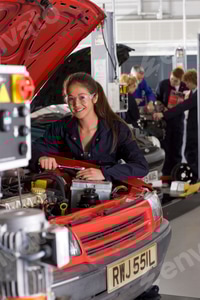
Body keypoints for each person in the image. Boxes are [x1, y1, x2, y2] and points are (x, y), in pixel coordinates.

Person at [30, 72, 149, 182]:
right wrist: (41, 157)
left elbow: (140, 166)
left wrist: (104, 173)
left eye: (82, 97)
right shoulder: (60, 128)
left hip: (106, 198)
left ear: (95, 98)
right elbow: (32, 149)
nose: (76, 104)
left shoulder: (117, 130)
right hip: (66, 195)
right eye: (71, 98)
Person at [153, 69, 198, 179]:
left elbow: (183, 106)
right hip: (170, 123)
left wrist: (164, 114)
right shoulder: (163, 85)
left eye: (187, 82)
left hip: (187, 125)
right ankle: (171, 174)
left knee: (187, 151)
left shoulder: (195, 94)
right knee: (176, 149)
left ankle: (194, 177)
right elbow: (157, 99)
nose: (186, 85)